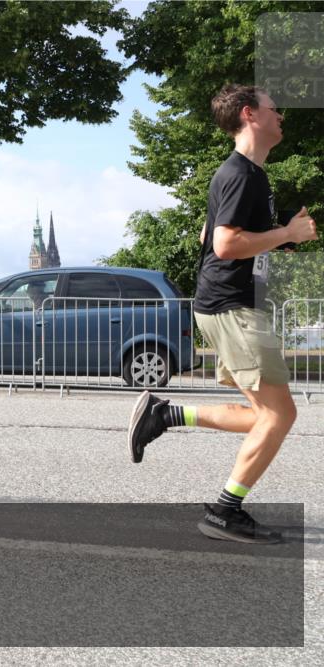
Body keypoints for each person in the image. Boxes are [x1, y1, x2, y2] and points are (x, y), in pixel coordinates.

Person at [127, 84, 317, 544]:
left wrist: (279, 234)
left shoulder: (247, 175)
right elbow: (223, 244)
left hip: (227, 305)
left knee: (264, 416)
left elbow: (205, 235)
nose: (281, 116)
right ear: (251, 115)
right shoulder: (241, 174)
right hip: (231, 307)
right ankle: (224, 511)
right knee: (280, 415)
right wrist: (285, 232)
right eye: (274, 109)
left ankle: (166, 415)